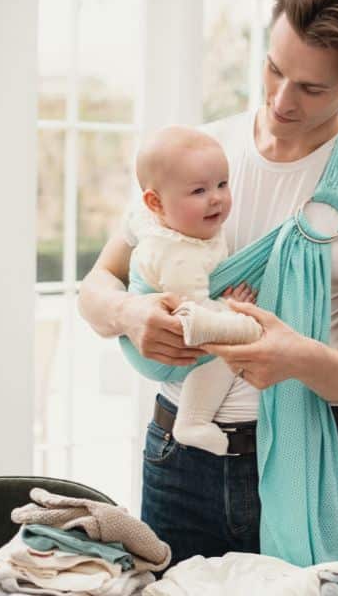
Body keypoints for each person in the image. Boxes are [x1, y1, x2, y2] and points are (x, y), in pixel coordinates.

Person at [79, 0, 338, 571]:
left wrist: (296, 356)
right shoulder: (198, 154)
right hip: (176, 454)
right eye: (275, 69)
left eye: (311, 88)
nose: (282, 100)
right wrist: (129, 315)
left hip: (296, 463)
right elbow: (96, 288)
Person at [126, 125, 262, 456]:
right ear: (155, 202)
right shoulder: (178, 255)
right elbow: (197, 321)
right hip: (164, 348)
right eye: (198, 191)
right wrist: (233, 313)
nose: (216, 198)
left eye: (222, 184)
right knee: (220, 351)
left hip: (164, 325)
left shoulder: (170, 222)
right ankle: (193, 421)